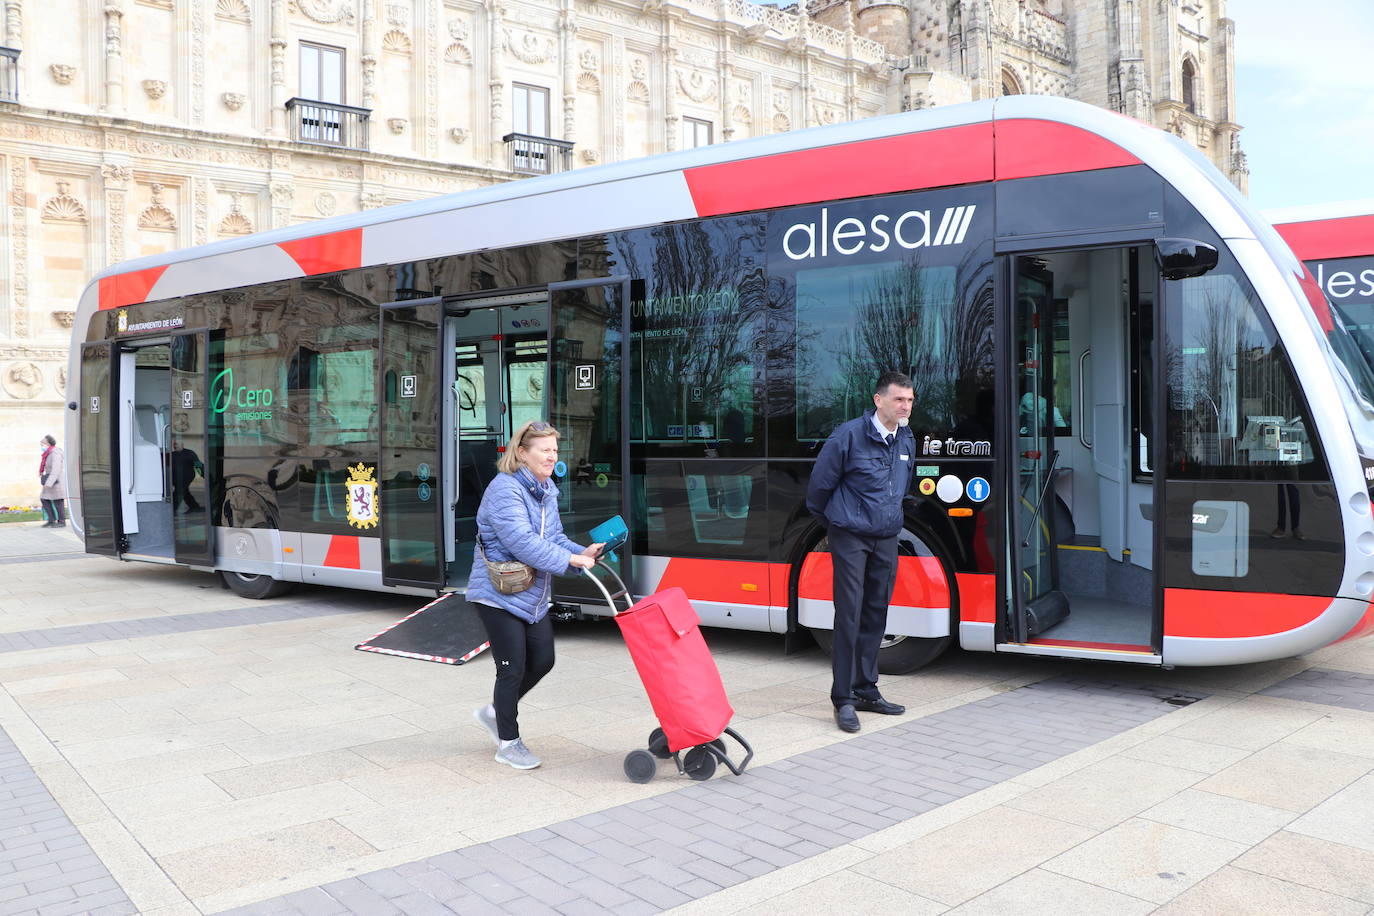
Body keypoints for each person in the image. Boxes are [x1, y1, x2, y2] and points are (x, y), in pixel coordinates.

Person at [466, 420, 603, 769]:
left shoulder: (546, 489)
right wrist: (569, 560)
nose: (552, 456)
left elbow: (552, 537)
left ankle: (496, 712)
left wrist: (581, 554)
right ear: (523, 452)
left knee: (543, 660)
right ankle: (508, 743)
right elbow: (522, 543)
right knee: (511, 668)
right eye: (545, 450)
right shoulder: (504, 489)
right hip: (497, 593)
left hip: (531, 594)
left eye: (555, 450)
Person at [806, 371, 916, 733]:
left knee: (875, 613)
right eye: (899, 399)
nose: (905, 406)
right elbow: (819, 491)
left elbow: (901, 486)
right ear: (878, 400)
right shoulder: (848, 436)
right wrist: (840, 523)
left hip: (886, 536)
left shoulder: (906, 439)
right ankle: (843, 699)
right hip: (850, 536)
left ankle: (867, 689)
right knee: (849, 614)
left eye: (910, 400)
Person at [38, 435, 66, 528]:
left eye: (43, 443)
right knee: (44, 499)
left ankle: (61, 522)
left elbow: (56, 469)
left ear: (48, 443)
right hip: (51, 479)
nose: (41, 445)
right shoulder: (48, 453)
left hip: (56, 481)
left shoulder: (55, 453)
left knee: (58, 501)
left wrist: (49, 483)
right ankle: (51, 520)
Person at [170, 438, 203, 513]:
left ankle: (172, 510)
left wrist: (203, 474)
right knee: (185, 492)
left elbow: (197, 464)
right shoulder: (172, 455)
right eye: (174, 444)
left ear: (182, 444)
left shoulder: (189, 453)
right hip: (176, 478)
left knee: (178, 492)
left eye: (177, 444)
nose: (175, 446)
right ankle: (194, 506)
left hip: (186, 477)